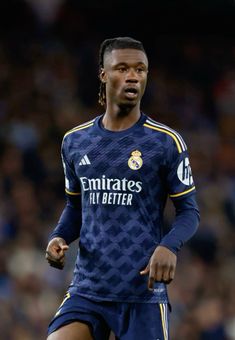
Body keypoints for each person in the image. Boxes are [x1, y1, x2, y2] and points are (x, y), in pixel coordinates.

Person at [45, 36, 200, 340]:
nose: (133, 76)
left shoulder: (165, 142)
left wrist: (169, 246)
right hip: (88, 289)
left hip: (141, 293)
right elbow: (76, 207)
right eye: (123, 68)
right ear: (103, 74)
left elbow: (189, 211)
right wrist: (58, 237)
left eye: (140, 70)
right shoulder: (74, 141)